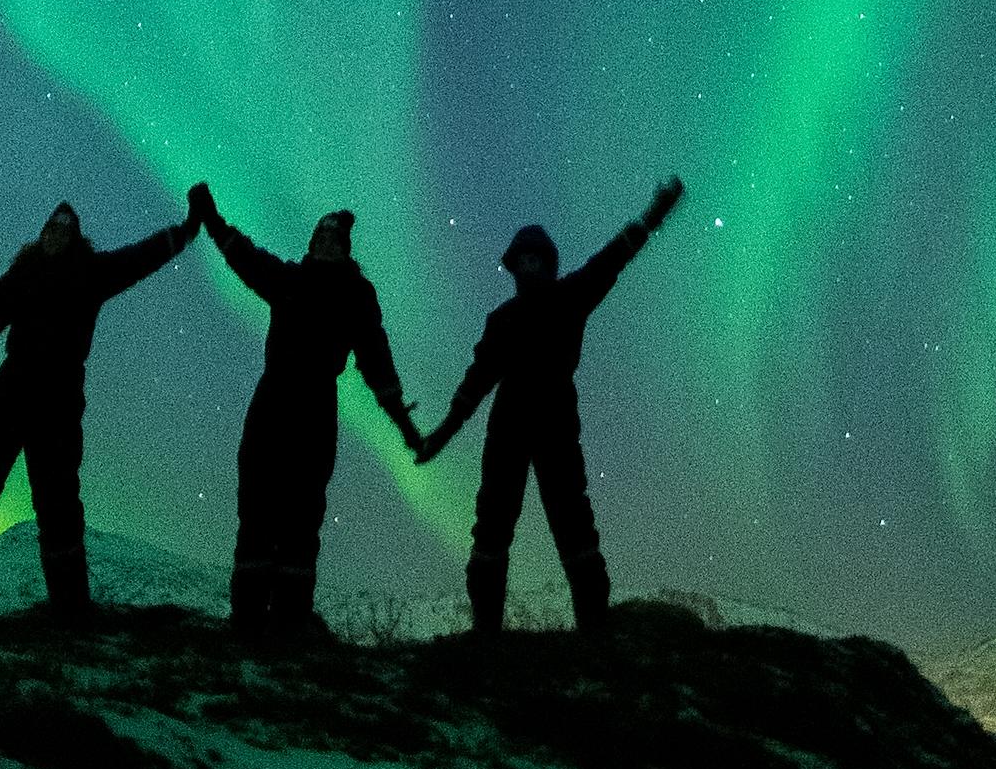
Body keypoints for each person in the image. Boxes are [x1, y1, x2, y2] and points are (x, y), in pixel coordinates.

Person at [0, 189, 204, 629]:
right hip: (8, 400)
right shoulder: (21, 278)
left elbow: (141, 257)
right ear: (42, 233)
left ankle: (72, 615)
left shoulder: (92, 273)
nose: (56, 233)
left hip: (58, 408)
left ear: (75, 237)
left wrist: (187, 229)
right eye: (51, 226)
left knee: (59, 510)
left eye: (65, 228)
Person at [416, 175, 684, 635]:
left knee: (572, 522)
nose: (529, 265)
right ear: (515, 266)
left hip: (555, 427)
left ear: (548, 262)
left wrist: (654, 213)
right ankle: (488, 632)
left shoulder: (569, 297)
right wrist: (440, 435)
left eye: (535, 258)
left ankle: (592, 630)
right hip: (510, 431)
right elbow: (476, 383)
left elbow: (614, 257)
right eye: (522, 259)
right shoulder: (504, 319)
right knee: (494, 524)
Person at [195, 186, 424, 639]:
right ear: (312, 242)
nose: (325, 244)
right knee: (256, 508)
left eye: (333, 239)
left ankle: (290, 619)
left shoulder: (356, 296)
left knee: (301, 516)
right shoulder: (290, 280)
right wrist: (212, 219)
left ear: (345, 249)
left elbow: (376, 358)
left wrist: (402, 422)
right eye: (320, 237)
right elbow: (245, 258)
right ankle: (248, 617)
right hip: (272, 404)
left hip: (315, 410)